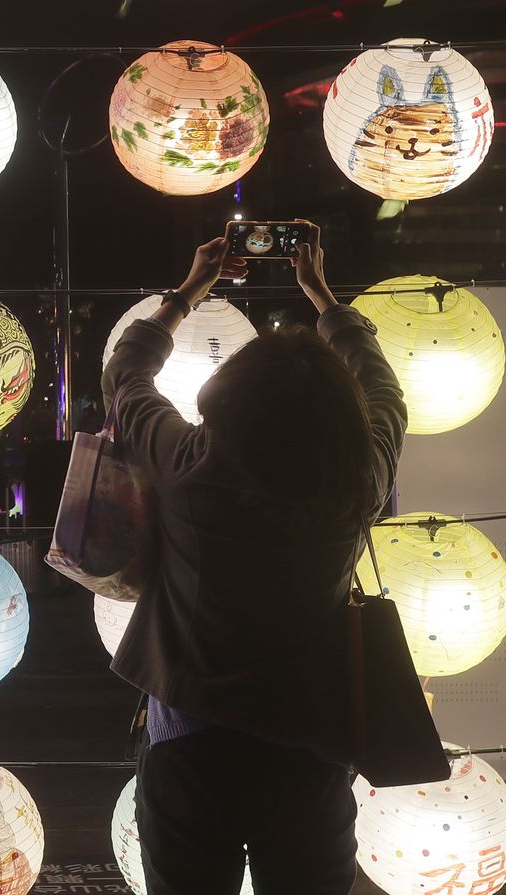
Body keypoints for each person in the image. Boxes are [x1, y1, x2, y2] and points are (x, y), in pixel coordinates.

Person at [104, 224, 411, 894]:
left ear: (228, 398)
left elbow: (126, 375)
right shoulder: (358, 478)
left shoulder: (189, 466)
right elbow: (385, 392)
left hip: (189, 733)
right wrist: (325, 299)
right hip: (309, 740)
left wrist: (188, 291)